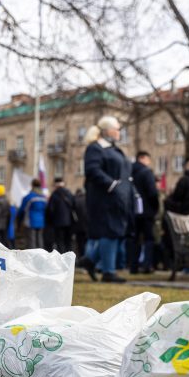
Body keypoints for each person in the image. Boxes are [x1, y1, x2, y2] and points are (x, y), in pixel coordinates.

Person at [79, 116, 133, 283]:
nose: (119, 132)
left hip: (117, 198)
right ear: (107, 131)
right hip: (104, 198)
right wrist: (112, 185)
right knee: (109, 231)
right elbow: (92, 170)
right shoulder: (95, 148)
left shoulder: (113, 149)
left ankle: (89, 261)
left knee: (116, 232)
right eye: (117, 129)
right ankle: (108, 271)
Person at [129, 151, 159, 274]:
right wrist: (155, 207)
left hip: (133, 211)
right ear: (143, 158)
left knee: (134, 239)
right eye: (148, 159)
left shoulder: (129, 172)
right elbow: (152, 193)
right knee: (148, 239)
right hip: (147, 211)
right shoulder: (146, 172)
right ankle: (147, 265)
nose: (149, 162)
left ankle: (133, 266)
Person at [46, 177, 75, 253]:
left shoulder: (54, 195)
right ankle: (70, 259)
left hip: (58, 223)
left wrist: (50, 222)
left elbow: (50, 210)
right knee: (68, 241)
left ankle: (62, 258)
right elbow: (74, 206)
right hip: (69, 222)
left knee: (59, 241)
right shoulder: (69, 193)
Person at [17, 179, 47, 249]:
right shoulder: (43, 197)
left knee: (31, 241)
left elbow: (22, 210)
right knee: (40, 241)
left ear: (32, 185)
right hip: (41, 222)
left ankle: (32, 258)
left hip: (30, 222)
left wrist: (19, 221)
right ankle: (41, 256)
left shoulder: (29, 197)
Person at [72, 188, 88, 258]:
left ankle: (81, 257)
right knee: (87, 242)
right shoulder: (88, 200)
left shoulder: (75, 200)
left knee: (80, 243)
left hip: (78, 226)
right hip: (88, 226)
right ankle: (87, 257)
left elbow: (72, 214)